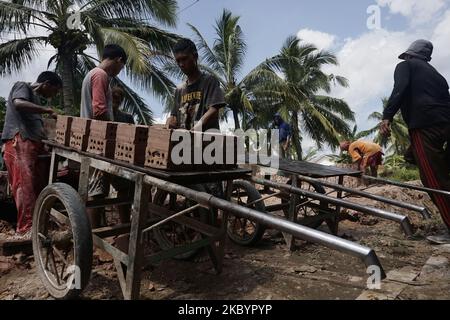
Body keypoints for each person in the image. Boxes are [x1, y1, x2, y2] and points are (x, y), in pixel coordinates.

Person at [380, 39, 450, 244]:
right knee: (412, 156)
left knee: (433, 180)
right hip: (445, 125)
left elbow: (400, 88)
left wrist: (387, 115)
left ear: (409, 54)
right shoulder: (436, 75)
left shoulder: (405, 66)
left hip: (425, 125)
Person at [1, 71, 62, 237]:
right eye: (54, 91)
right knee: (24, 185)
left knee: (36, 185)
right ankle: (26, 229)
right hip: (19, 141)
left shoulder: (34, 100)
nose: (53, 96)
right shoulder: (22, 86)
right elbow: (19, 103)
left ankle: (37, 224)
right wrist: (47, 110)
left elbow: (37, 126)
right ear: (46, 84)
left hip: (32, 143)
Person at [80, 44, 128, 228]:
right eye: (121, 67)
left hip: (95, 140)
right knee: (98, 191)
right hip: (99, 143)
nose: (119, 71)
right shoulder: (100, 75)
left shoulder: (91, 74)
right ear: (119, 60)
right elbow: (99, 111)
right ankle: (94, 237)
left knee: (119, 186)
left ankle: (120, 230)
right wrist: (118, 131)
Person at [166, 38, 226, 132]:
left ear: (195, 56)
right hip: (184, 142)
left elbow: (214, 109)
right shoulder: (179, 90)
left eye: (184, 59)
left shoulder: (209, 81)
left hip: (207, 141)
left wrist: (198, 126)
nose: (181, 64)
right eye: (178, 61)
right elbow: (174, 116)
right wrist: (170, 121)